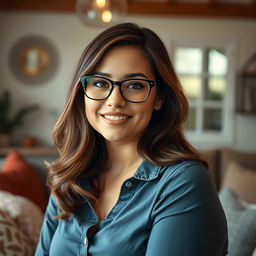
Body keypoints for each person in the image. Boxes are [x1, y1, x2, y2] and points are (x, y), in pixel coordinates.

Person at [35, 23, 228, 256]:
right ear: (81, 93)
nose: (115, 100)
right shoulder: (69, 179)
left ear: (159, 98)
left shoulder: (183, 184)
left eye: (135, 85)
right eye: (99, 83)